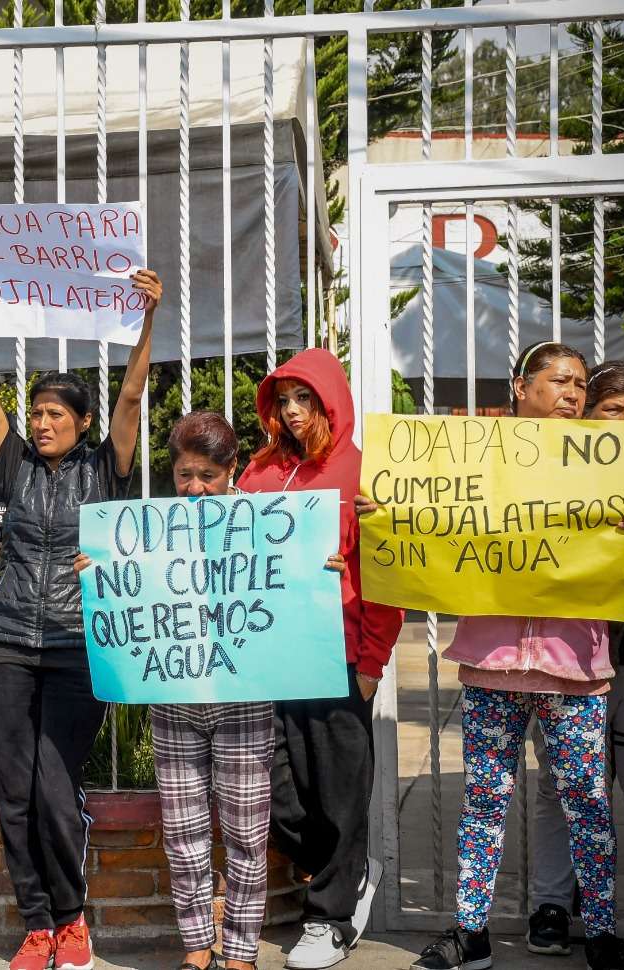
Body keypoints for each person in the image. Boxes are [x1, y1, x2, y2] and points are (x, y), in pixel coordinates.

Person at [0, 258, 162, 970]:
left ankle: (71, 917)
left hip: (76, 645)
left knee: (56, 789)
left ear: (83, 423)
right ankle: (36, 924)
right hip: (4, 645)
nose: (43, 422)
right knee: (14, 790)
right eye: (37, 413)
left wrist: (148, 316)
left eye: (57, 414)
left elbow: (132, 395)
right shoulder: (15, 465)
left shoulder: (105, 469)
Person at [72, 412, 347, 970]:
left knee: (247, 833)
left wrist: (322, 567)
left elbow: (294, 586)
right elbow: (128, 587)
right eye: (184, 475)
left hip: (243, 703)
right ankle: (197, 949)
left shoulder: (267, 524)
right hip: (173, 700)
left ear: (232, 469)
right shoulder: (149, 529)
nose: (195, 487)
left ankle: (240, 954)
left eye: (207, 476)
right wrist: (96, 570)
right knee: (183, 834)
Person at [413, 342, 624, 970]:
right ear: (522, 387)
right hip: (492, 661)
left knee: (586, 802)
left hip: (573, 665)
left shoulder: (603, 463)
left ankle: (600, 933)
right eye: (560, 380)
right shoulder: (476, 455)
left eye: (580, 384)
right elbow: (430, 522)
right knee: (484, 800)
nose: (572, 393)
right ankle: (470, 933)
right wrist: (390, 518)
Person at [231, 348, 400, 970]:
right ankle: (341, 867)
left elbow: (386, 572)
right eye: (284, 400)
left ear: (331, 401)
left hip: (338, 654)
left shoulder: (363, 472)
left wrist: (372, 660)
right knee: (270, 790)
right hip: (269, 654)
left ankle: (330, 918)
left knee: (339, 794)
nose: (294, 411)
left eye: (305, 398)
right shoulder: (260, 470)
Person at [523, 361, 624, 956]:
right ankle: (550, 905)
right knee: (563, 789)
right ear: (588, 414)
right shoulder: (544, 464)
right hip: (568, 663)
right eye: (612, 409)